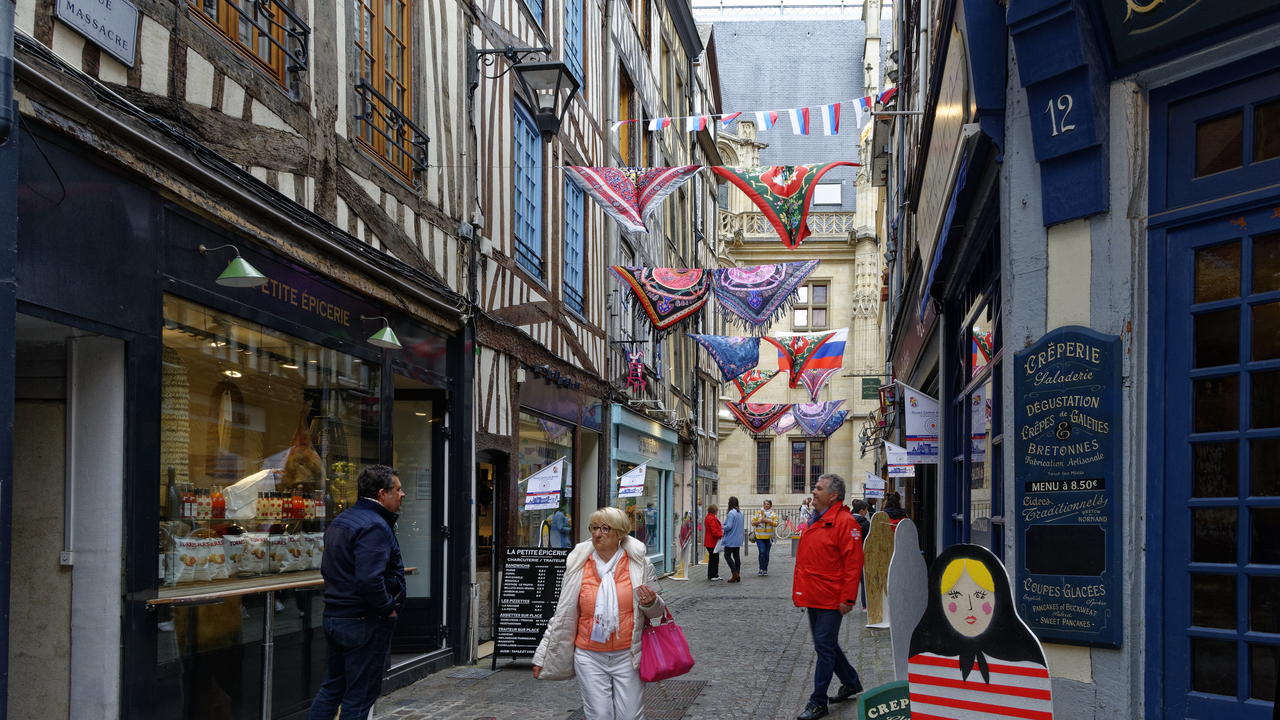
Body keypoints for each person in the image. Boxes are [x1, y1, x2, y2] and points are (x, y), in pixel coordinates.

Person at [532, 507, 666, 720]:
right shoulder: (579, 565)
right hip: (589, 656)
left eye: (605, 529)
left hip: (628, 656)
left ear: (620, 534)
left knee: (630, 716)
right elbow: (563, 613)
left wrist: (651, 602)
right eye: (594, 528)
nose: (597, 534)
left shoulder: (640, 564)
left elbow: (657, 612)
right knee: (599, 716)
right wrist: (542, 655)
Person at [907, 544, 1052, 719]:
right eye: (954, 596)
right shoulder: (922, 658)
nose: (968, 607)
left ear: (998, 597)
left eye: (980, 595)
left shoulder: (1029, 664)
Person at [307, 465, 406, 720]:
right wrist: (388, 609)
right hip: (362, 620)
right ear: (383, 494)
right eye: (398, 489)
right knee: (358, 697)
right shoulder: (374, 525)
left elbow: (326, 568)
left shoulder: (341, 520)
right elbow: (369, 579)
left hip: (335, 617)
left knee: (332, 688)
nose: (402, 494)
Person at [792, 474, 865, 720]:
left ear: (833, 495)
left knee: (824, 646)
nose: (813, 491)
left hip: (831, 597)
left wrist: (848, 597)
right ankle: (852, 682)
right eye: (815, 487)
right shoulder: (818, 519)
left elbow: (854, 563)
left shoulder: (845, 523)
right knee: (827, 644)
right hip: (815, 593)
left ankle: (818, 702)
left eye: (818, 488)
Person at [849, 499, 871, 609]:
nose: (867, 513)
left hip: (848, 554)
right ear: (861, 511)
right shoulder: (865, 523)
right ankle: (865, 606)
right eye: (866, 510)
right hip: (861, 554)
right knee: (863, 580)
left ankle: (845, 601)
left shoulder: (846, 520)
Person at [752, 499, 779, 576]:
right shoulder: (758, 513)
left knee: (767, 553)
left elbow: (776, 524)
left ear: (770, 505)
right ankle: (761, 568)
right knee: (762, 552)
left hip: (769, 537)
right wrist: (760, 521)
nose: (766, 505)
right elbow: (753, 522)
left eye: (767, 504)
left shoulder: (773, 514)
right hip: (759, 536)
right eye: (765, 504)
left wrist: (767, 520)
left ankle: (765, 568)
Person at [721, 497, 744, 583]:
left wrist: (722, 527)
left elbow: (729, 526)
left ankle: (734, 572)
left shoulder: (731, 513)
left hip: (731, 538)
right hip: (738, 538)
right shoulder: (740, 512)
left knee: (727, 555)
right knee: (736, 556)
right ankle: (737, 574)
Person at [704, 504, 723, 581]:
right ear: (715, 511)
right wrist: (721, 534)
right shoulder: (712, 519)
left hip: (711, 542)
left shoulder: (708, 517)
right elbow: (714, 532)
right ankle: (712, 575)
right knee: (714, 559)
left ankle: (714, 574)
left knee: (714, 558)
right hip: (712, 542)